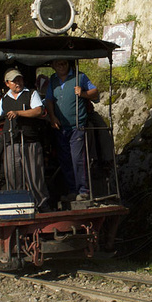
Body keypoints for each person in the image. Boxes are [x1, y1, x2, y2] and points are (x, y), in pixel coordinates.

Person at [0, 68, 50, 212]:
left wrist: (18, 113)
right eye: (14, 81)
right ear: (7, 83)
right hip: (11, 142)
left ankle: (41, 206)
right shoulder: (5, 99)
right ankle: (18, 206)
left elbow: (38, 110)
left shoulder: (31, 94)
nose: (17, 83)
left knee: (35, 177)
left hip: (30, 141)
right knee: (13, 175)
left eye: (19, 80)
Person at [44, 59, 99, 201]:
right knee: (65, 159)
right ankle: (72, 190)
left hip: (77, 126)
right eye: (58, 64)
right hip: (60, 127)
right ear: (53, 66)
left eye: (64, 63)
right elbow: (49, 100)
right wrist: (52, 117)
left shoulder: (80, 77)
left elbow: (95, 92)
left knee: (77, 159)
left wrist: (83, 94)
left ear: (68, 64)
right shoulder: (53, 80)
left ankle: (83, 190)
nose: (61, 66)